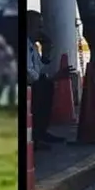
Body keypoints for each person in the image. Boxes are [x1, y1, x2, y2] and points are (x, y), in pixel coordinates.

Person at [27, 10, 71, 151]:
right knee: (42, 88)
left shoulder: (32, 46)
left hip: (33, 84)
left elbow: (40, 68)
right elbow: (30, 75)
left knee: (47, 87)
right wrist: (51, 77)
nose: (40, 31)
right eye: (38, 27)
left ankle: (41, 132)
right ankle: (35, 136)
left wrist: (47, 51)